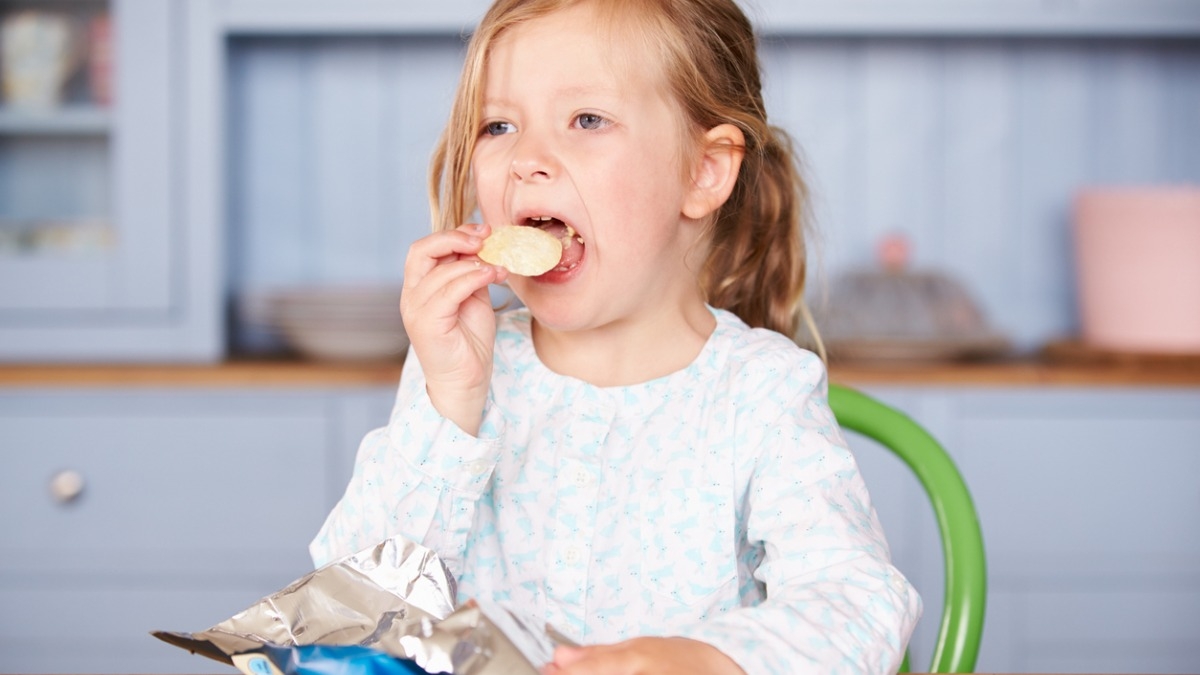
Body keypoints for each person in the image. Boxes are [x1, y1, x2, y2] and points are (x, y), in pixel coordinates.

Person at [310, 0, 922, 672]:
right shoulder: (462, 369)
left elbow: (858, 604)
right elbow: (349, 616)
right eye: (498, 125)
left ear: (704, 170)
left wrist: (708, 660)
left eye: (587, 119)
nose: (526, 160)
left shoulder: (761, 392)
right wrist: (450, 404)